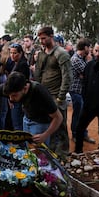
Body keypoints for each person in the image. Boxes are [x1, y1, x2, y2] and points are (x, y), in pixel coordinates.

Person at [33, 26, 72, 159]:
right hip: (44, 96)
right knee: (46, 126)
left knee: (60, 128)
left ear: (51, 36)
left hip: (56, 96)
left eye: (44, 38)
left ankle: (62, 156)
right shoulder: (42, 53)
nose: (42, 41)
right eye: (40, 39)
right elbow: (37, 74)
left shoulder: (61, 53)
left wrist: (60, 98)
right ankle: (48, 155)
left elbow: (67, 77)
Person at [69, 38, 95, 143]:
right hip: (76, 91)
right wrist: (89, 62)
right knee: (78, 114)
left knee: (83, 114)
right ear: (85, 47)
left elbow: (87, 75)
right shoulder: (76, 59)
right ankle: (75, 134)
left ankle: (83, 134)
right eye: (90, 47)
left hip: (82, 91)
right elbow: (89, 74)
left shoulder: (82, 58)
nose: (91, 49)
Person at [8, 43, 30, 130]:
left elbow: (19, 84)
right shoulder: (16, 64)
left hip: (18, 98)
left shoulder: (22, 64)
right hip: (16, 97)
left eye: (15, 53)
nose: (12, 55)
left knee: (18, 124)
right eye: (11, 53)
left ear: (20, 53)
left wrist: (11, 98)